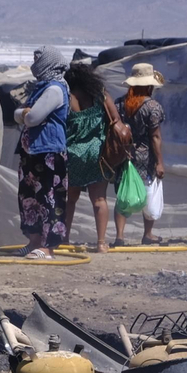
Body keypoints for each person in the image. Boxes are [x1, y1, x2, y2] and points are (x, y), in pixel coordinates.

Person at [13, 46, 71, 258]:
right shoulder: (40, 87)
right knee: (30, 197)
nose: (34, 64)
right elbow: (19, 113)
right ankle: (34, 241)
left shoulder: (54, 89)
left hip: (49, 154)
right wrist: (24, 113)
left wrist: (25, 114)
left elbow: (31, 117)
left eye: (38, 59)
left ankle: (47, 247)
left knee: (49, 197)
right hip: (32, 153)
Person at [61, 62, 113, 254]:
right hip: (97, 153)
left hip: (73, 152)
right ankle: (101, 243)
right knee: (99, 199)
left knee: (70, 199)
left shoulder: (68, 97)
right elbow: (115, 120)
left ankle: (64, 239)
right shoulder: (101, 95)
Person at [114, 63, 166, 246]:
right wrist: (159, 162)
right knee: (149, 194)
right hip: (146, 158)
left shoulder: (119, 104)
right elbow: (155, 137)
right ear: (149, 85)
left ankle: (119, 236)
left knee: (123, 194)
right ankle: (148, 234)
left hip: (123, 156)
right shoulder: (153, 107)